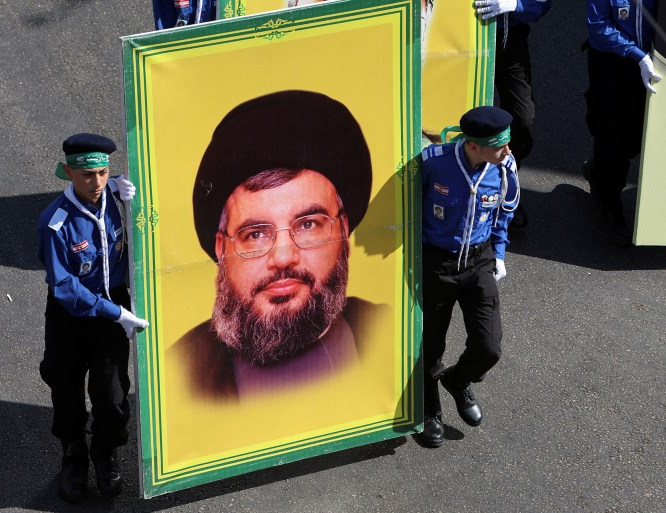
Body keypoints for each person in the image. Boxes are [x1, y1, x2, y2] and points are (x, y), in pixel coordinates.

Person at [169, 90, 391, 401]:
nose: (284, 257)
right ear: (222, 250)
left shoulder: (392, 333)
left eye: (308, 224)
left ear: (342, 229)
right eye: (255, 234)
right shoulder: (177, 373)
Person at [37, 133, 149, 502]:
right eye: (87, 175)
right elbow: (65, 288)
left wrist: (138, 198)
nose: (97, 183)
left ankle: (105, 450)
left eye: (103, 173)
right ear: (68, 172)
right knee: (65, 386)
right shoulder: (55, 222)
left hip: (112, 306)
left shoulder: (117, 199)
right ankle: (74, 453)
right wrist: (117, 313)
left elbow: (149, 233)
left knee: (112, 393)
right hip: (72, 315)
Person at [417, 106, 519, 448]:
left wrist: (500, 252)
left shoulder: (504, 166)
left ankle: (458, 380)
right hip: (438, 263)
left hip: (479, 260)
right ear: (474, 146)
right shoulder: (432, 162)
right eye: (499, 146)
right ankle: (429, 408)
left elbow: (504, 210)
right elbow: (408, 208)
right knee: (431, 343)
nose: (507, 151)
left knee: (489, 346)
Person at [583, 0, 661, 246]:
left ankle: (599, 171)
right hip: (613, 59)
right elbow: (598, 25)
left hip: (655, 59)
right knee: (611, 132)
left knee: (638, 136)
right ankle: (608, 203)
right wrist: (637, 56)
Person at [474, 0, 552, 230]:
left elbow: (541, 4)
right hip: (460, 37)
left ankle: (504, 183)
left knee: (522, 120)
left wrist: (516, 4)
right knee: (462, 112)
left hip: (508, 38)